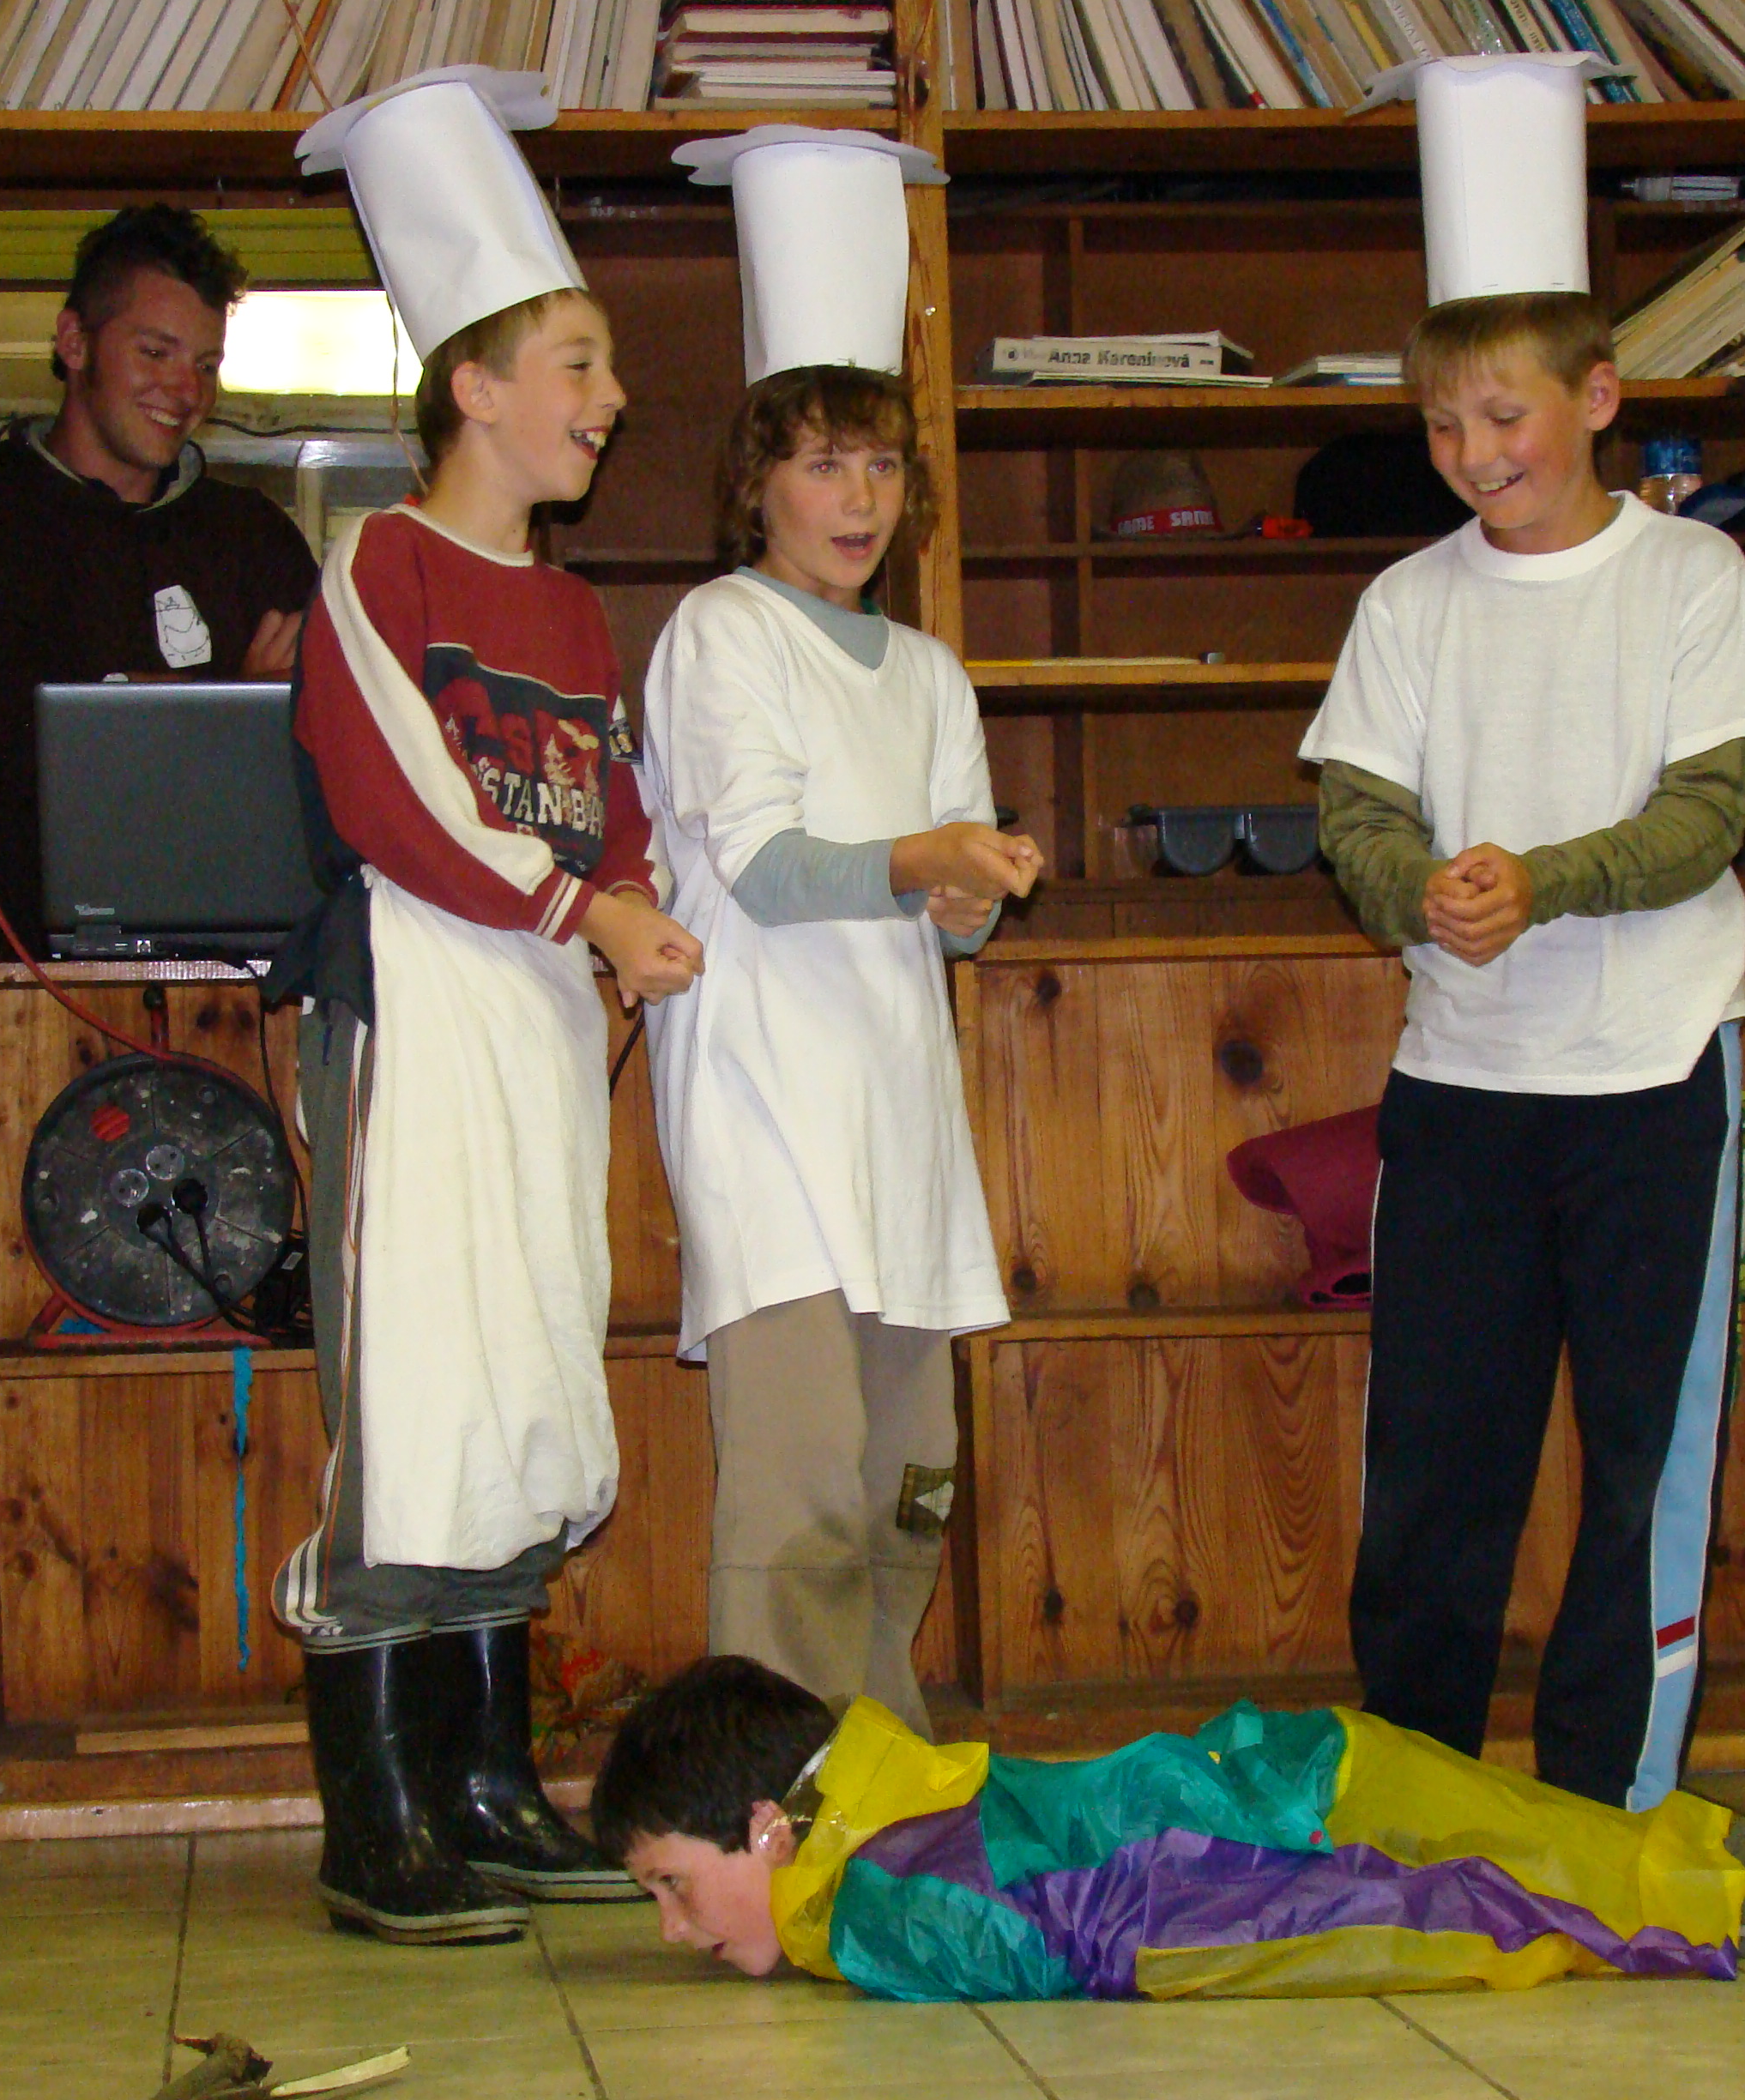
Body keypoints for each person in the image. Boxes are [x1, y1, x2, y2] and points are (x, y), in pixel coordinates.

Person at [1299, 57, 1745, 1813]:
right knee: (1434, 1466)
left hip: (1653, 1075)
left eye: (1503, 418)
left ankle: (1611, 1800)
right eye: (1442, 427)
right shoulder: (1405, 600)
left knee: (1641, 1464)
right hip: (1460, 1084)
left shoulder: (1689, 580)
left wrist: (1541, 881)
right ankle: (1415, 1790)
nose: (1473, 457)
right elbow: (1355, 812)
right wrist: (1414, 891)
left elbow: (1705, 814)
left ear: (1596, 398)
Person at [263, 69, 703, 1947]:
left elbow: (611, 808)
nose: (609, 400)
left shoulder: (575, 613)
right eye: (579, 364)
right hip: (415, 1008)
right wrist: (585, 905)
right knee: (416, 1396)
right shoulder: (381, 564)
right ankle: (374, 1813)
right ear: (476, 385)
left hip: (532, 1020)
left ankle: (485, 1780)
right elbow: (394, 797)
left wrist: (636, 909)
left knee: (523, 1376)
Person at [639, 130, 1040, 1736]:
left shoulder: (930, 671)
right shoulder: (721, 632)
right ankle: (775, 1788)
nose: (856, 498)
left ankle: (878, 1759)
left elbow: (944, 924)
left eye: (878, 465)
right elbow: (762, 866)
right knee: (800, 1490)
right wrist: (924, 857)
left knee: (907, 1485)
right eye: (820, 464)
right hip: (767, 1114)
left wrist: (962, 898)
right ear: (756, 483)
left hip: (896, 1123)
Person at [589, 1655, 1745, 2000]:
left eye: (673, 1886)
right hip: (1316, 1769)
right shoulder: (893, 1797)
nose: (675, 1927)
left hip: (1336, 1827)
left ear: (768, 1825)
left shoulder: (874, 1900)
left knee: (1688, 1901)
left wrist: (1455, 1914)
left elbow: (1153, 1927)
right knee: (1691, 1853)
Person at [0, 202, 319, 943]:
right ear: (75, 342)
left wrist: (244, 720)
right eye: (156, 353)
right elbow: (0, 750)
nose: (186, 390)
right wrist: (232, 713)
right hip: (26, 962)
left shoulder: (254, 536)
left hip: (239, 961)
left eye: (206, 365)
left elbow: (335, 755)